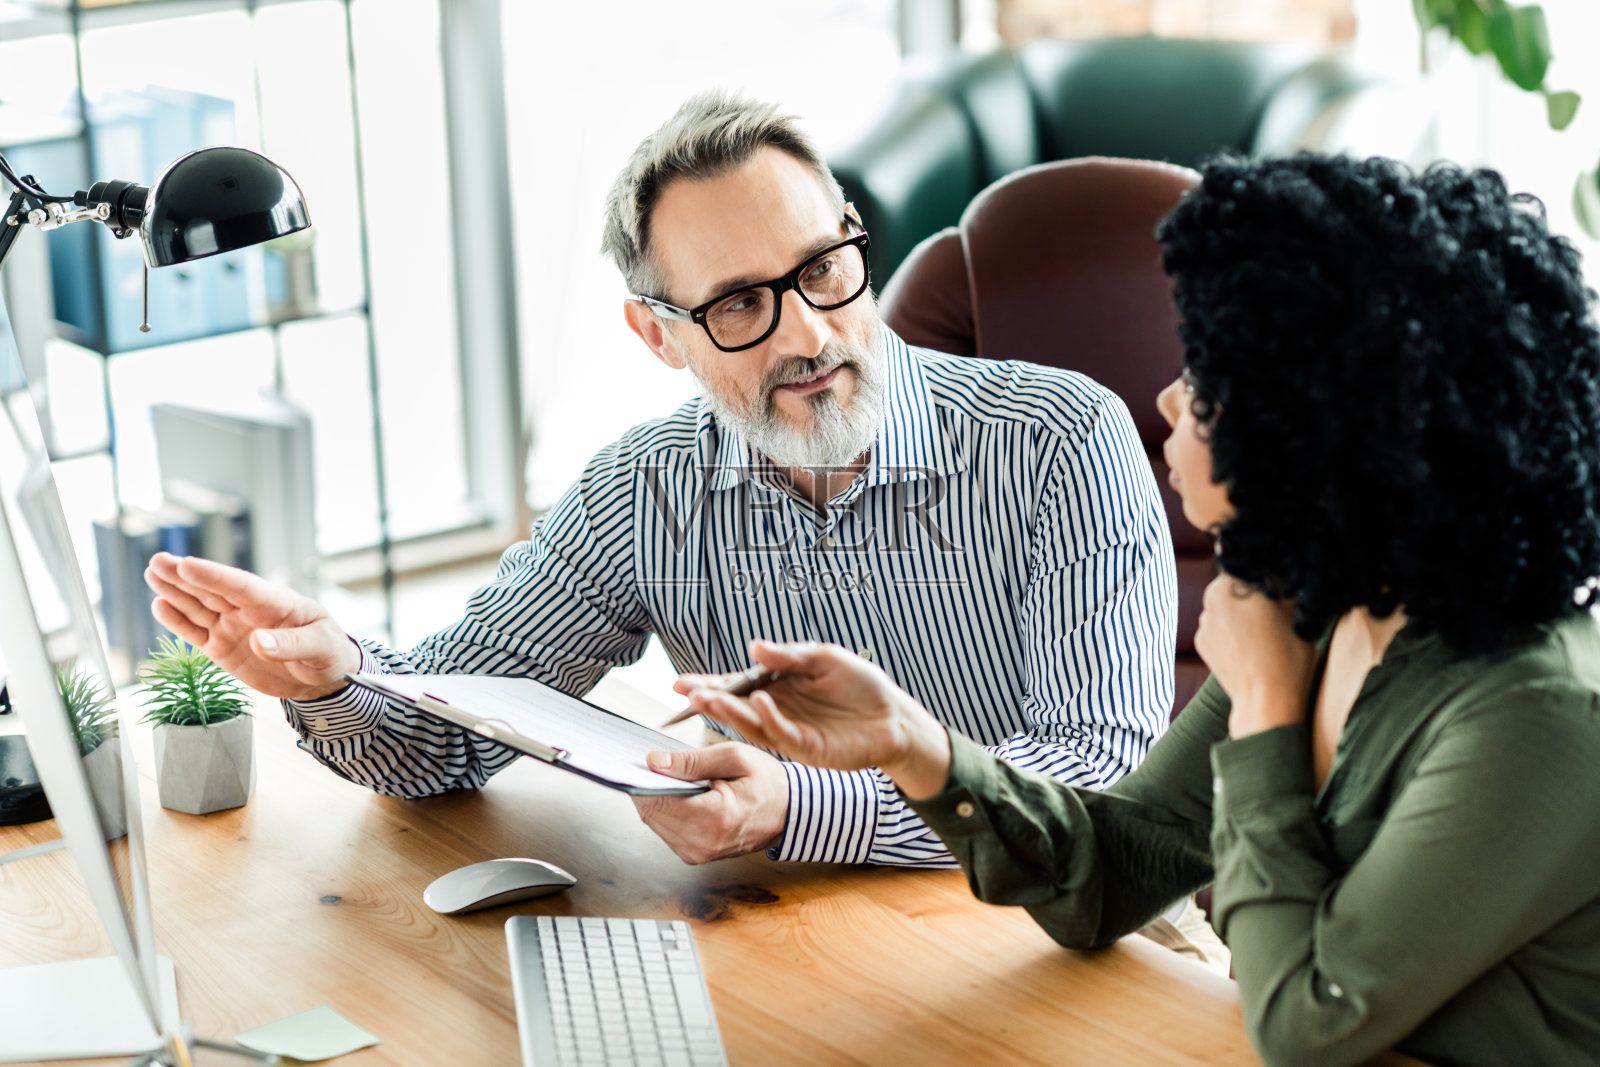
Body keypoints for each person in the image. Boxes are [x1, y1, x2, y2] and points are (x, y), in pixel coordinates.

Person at [678, 153, 1600, 1065]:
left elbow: (1304, 1020)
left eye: (1204, 380)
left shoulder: (1536, 710)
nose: (1165, 401)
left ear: (1321, 430)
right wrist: (913, 745)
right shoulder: (1320, 613)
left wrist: (1270, 710)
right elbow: (1111, 872)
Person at [144, 90, 1177, 871]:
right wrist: (335, 674)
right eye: (738, 305)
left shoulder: (1059, 439)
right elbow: (448, 747)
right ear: (655, 333)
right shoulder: (643, 491)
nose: (809, 333)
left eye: (822, 267)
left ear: (857, 234)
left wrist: (798, 805)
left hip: (1069, 932)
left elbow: (1098, 782)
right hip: (809, 943)